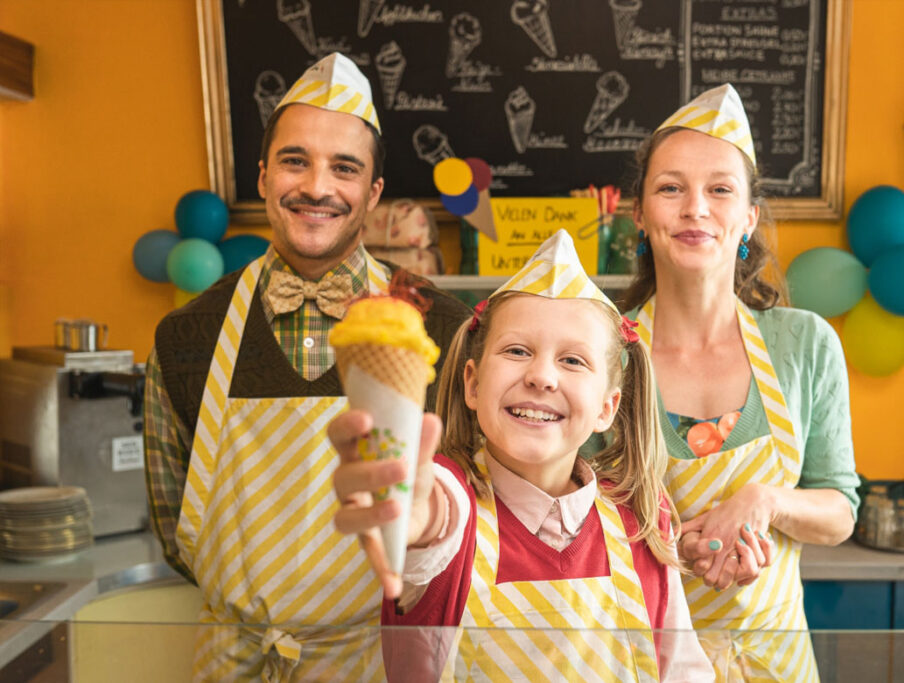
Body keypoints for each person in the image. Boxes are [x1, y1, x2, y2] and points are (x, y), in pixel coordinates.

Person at [143, 53, 470, 680]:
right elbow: (172, 523)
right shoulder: (186, 337)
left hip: (380, 658)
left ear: (373, 193)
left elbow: (466, 516)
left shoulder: (444, 328)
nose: (317, 187)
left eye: (343, 169)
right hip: (235, 659)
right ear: (264, 176)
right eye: (296, 161)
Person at [330, 230, 716, 682]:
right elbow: (434, 521)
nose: (541, 377)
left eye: (573, 361)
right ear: (473, 384)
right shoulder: (452, 499)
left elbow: (686, 673)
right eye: (517, 351)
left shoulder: (643, 518)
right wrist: (411, 517)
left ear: (607, 408)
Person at [620, 84, 860, 681]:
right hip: (641, 660)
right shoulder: (604, 352)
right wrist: (672, 545)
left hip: (774, 665)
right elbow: (566, 521)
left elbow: (839, 510)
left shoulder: (804, 345)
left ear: (748, 216)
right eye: (670, 188)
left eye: (720, 189)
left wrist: (765, 501)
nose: (695, 208)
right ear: (641, 214)